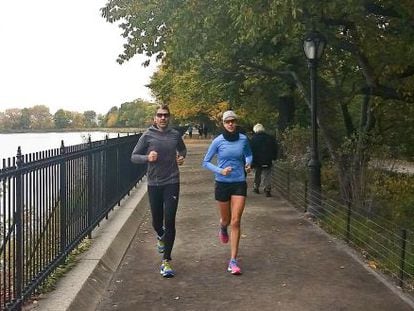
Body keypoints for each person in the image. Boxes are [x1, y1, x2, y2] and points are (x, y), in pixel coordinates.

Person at [131, 104, 187, 278]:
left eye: (166, 115)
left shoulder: (175, 134)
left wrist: (181, 156)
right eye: (160, 115)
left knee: (170, 220)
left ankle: (166, 261)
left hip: (172, 181)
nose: (163, 118)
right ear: (154, 118)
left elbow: (182, 149)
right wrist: (147, 157)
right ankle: (161, 235)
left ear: (169, 117)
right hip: (154, 183)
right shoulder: (147, 135)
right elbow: (133, 156)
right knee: (157, 222)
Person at [202, 110, 252, 275]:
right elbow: (206, 162)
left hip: (239, 182)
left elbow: (249, 154)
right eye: (227, 122)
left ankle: (233, 261)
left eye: (232, 121)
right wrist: (220, 170)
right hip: (222, 183)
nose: (230, 124)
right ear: (223, 124)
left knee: (236, 221)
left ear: (236, 122)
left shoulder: (243, 139)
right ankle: (222, 228)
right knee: (226, 220)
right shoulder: (218, 141)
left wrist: (248, 164)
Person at [250, 123, 278, 197]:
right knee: (267, 174)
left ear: (255, 130)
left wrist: (251, 161)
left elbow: (251, 150)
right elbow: (275, 148)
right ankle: (267, 189)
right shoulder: (270, 138)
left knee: (257, 174)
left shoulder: (253, 139)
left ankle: (256, 187)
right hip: (267, 159)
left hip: (257, 160)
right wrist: (274, 157)